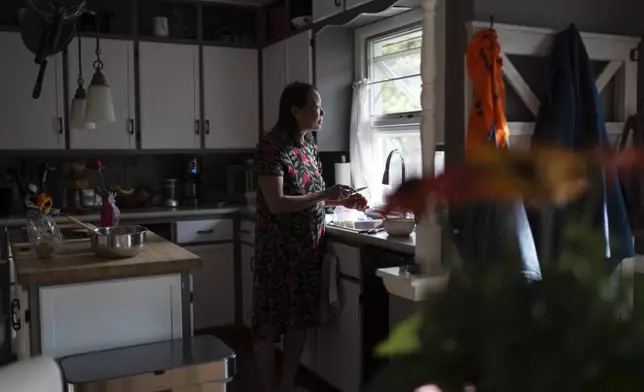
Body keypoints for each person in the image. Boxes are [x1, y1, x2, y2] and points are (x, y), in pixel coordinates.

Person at [253, 81, 360, 392]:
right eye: (315, 106)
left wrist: (340, 200)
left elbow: (313, 195)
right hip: (278, 251)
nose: (322, 112)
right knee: (269, 324)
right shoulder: (270, 147)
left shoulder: (310, 146)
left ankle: (286, 384)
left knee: (298, 321)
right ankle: (267, 387)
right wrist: (324, 194)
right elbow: (276, 203)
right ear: (295, 110)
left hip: (307, 249)